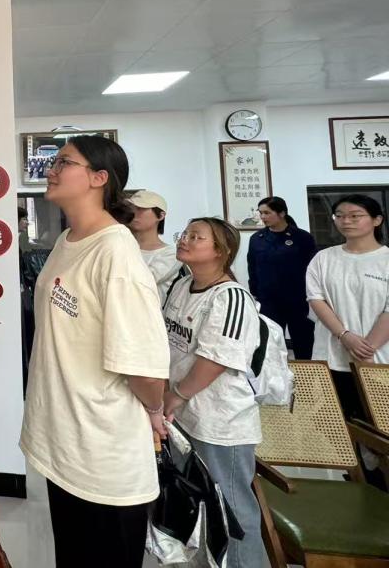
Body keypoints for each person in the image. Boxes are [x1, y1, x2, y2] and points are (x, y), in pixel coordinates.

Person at [20, 136, 169, 568]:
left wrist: (155, 410)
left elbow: (143, 366)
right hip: (66, 439)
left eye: (64, 162)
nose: (51, 169)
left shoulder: (116, 252)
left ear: (99, 178)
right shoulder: (69, 239)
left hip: (103, 452)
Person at [162, 218, 264, 568]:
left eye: (197, 237)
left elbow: (216, 359)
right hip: (182, 414)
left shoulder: (231, 297)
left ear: (221, 251)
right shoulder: (183, 285)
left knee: (231, 509)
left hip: (219, 422)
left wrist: (177, 394)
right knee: (195, 504)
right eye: (185, 234)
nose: (185, 240)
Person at [306, 194, 389, 419]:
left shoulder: (385, 259)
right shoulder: (323, 258)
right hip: (332, 355)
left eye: (355, 216)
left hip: (379, 358)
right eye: (339, 216)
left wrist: (366, 350)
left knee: (379, 422)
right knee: (335, 421)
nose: (346, 221)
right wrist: (345, 336)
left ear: (377, 220)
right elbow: (316, 299)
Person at [247, 196, 317, 359]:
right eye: (261, 213)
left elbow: (313, 269)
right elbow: (252, 266)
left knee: (303, 342)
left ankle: (305, 373)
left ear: (282, 213)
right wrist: (255, 291)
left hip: (298, 300)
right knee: (271, 343)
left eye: (267, 213)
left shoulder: (302, 238)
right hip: (268, 300)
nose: (263, 217)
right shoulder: (257, 239)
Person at [129, 190, 181, 304]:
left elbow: (141, 281)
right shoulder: (122, 244)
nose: (133, 212)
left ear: (161, 215)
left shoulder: (170, 254)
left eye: (141, 208)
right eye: (132, 208)